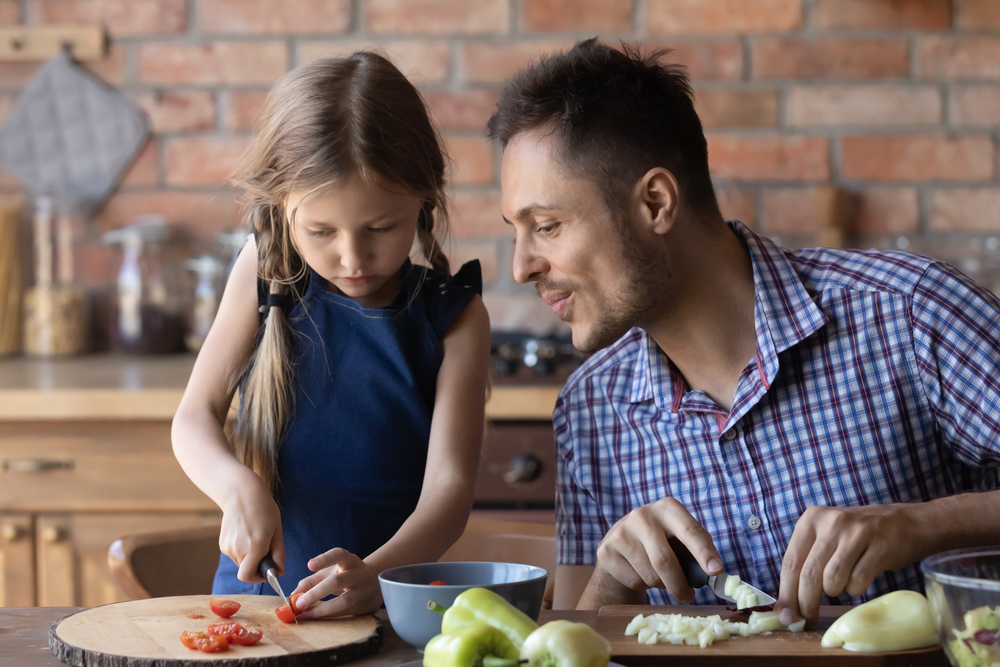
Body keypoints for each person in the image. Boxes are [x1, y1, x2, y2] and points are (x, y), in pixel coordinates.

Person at [487, 38, 1000, 625]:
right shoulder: (589, 410)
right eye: (516, 231)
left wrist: (922, 523)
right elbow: (575, 643)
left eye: (547, 226)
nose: (521, 265)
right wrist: (613, 578)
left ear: (655, 203)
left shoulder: (908, 312)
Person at [172, 52, 491, 619]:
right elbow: (193, 417)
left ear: (424, 198)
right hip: (254, 608)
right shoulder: (264, 272)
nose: (351, 257)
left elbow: (448, 494)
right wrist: (234, 486)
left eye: (380, 228)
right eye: (320, 231)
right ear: (282, 209)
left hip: (388, 609)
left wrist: (377, 576)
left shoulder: (457, 319)